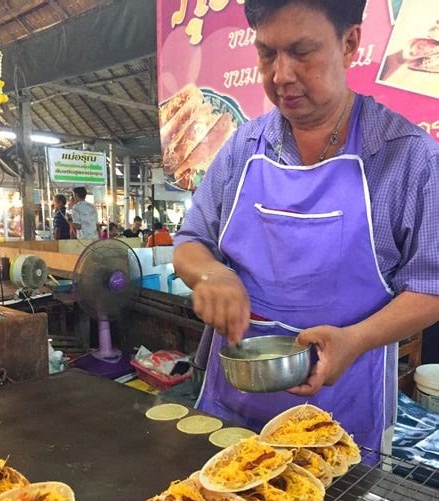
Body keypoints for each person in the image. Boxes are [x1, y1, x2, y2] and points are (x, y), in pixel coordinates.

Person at [173, 0, 439, 457]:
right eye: (267, 53)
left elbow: (431, 287)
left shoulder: (407, 157)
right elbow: (191, 241)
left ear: (349, 42)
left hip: (340, 416)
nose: (281, 75)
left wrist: (356, 339)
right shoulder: (244, 145)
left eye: (301, 51)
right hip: (232, 409)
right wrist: (211, 274)